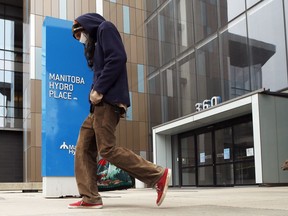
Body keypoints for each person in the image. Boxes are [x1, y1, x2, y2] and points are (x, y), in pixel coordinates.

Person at [68, 13, 171, 209]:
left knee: (106, 149)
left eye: (80, 35)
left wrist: (99, 89)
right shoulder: (96, 43)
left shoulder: (106, 28)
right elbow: (102, 69)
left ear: (85, 27)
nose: (81, 40)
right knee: (83, 148)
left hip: (108, 101)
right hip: (98, 105)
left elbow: (118, 58)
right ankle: (90, 197)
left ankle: (158, 175)